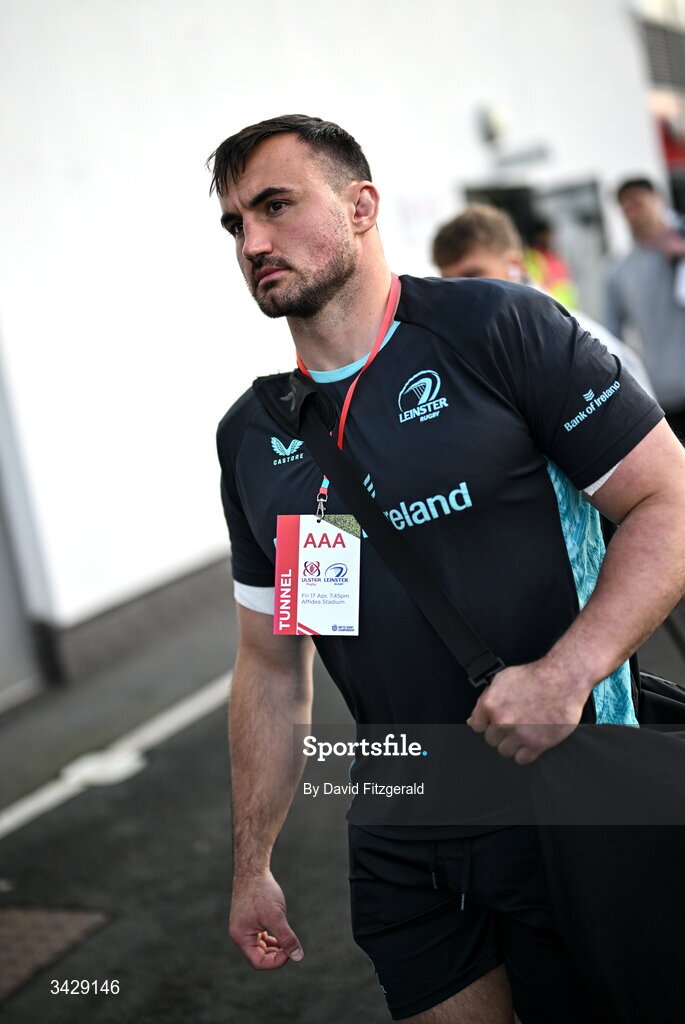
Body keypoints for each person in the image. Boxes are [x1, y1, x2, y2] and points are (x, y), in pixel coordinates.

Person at [208, 115, 685, 1023]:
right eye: (234, 224)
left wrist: (566, 673)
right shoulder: (254, 436)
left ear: (360, 208)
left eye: (274, 205)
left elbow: (670, 502)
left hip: (571, 796)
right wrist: (251, 867)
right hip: (401, 820)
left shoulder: (495, 329)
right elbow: (274, 664)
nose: (252, 241)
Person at [432, 202, 656, 397]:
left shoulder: (580, 341)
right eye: (449, 282)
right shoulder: (466, 349)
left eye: (471, 275)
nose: (459, 290)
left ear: (515, 266)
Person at [606, 176, 685, 434]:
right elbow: (611, 336)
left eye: (637, 204)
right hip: (664, 394)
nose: (632, 214)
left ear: (657, 200)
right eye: (625, 208)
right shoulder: (621, 271)